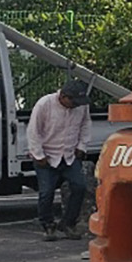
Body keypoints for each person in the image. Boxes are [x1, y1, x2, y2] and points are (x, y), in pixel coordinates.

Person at [28, 79, 93, 239]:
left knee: (79, 187)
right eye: (73, 102)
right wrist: (39, 155)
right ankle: (48, 225)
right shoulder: (44, 104)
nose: (76, 106)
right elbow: (34, 131)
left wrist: (82, 146)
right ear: (63, 96)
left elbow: (85, 125)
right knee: (46, 192)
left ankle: (68, 223)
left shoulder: (81, 106)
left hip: (69, 155)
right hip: (47, 155)